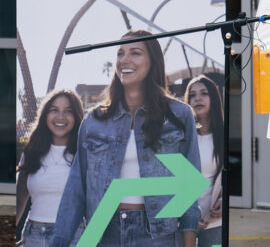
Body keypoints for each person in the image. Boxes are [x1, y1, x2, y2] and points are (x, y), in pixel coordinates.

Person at [50, 30, 201, 247]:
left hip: (159, 236)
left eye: (135, 53)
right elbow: (75, 191)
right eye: (120, 53)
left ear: (152, 61)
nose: (124, 60)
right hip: (102, 231)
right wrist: (60, 241)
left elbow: (189, 189)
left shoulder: (179, 115)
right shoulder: (93, 121)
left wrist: (189, 243)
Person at [17, 89, 85, 246]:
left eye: (68, 111)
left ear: (76, 117)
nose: (60, 116)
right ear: (45, 115)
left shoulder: (84, 153)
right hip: (33, 235)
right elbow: (19, 200)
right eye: (54, 110)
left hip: (73, 236)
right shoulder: (31, 152)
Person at [184, 75, 224, 247]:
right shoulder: (180, 137)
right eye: (192, 95)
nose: (197, 98)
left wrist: (225, 201)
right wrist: (188, 216)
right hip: (185, 223)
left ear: (213, 98)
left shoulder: (224, 136)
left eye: (203, 93)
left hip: (215, 223)